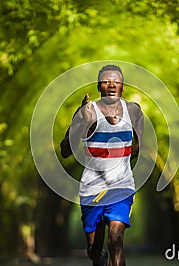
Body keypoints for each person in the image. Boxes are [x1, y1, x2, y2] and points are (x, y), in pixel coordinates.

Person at [60, 64, 144, 266]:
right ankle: (99, 258)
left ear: (123, 87)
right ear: (99, 86)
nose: (112, 85)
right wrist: (80, 122)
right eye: (107, 81)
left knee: (116, 239)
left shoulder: (133, 111)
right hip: (92, 189)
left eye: (117, 82)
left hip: (121, 187)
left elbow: (136, 149)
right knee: (94, 250)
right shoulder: (86, 112)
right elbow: (65, 151)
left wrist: (117, 163)